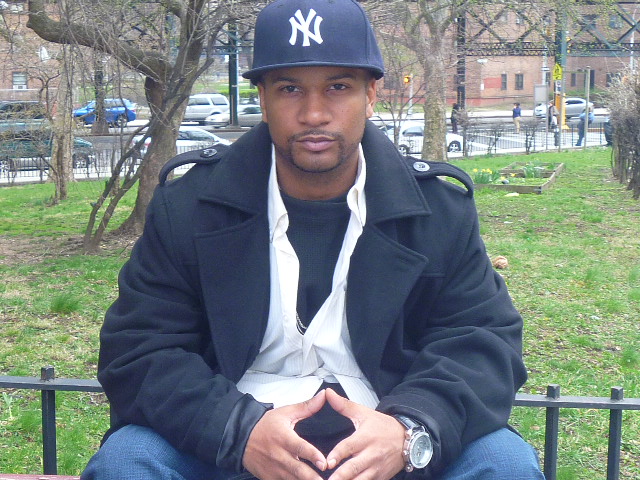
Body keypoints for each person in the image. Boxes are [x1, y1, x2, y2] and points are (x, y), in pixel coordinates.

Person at [81, 1, 545, 479]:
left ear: (371, 95)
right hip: (227, 440)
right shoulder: (189, 207)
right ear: (263, 99)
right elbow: (141, 348)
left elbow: (481, 342)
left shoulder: (439, 212)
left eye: (338, 87)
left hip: (387, 434)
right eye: (290, 89)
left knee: (504, 463)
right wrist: (236, 431)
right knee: (128, 461)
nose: (314, 113)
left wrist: (409, 429)